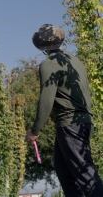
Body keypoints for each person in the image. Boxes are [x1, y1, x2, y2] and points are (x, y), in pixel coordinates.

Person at [27, 24, 103, 197]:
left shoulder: (48, 64)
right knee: (64, 172)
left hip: (70, 124)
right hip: (83, 122)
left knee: (86, 175)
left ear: (42, 45)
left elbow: (46, 100)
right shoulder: (74, 60)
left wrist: (34, 130)